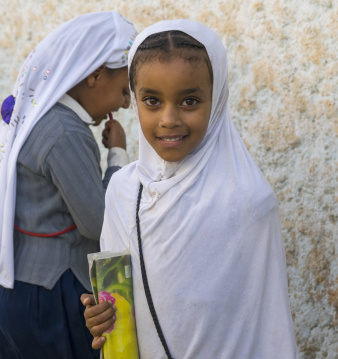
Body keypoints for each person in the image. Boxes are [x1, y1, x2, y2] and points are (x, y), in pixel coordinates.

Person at [81, 19, 299, 358]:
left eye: (190, 101)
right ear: (134, 99)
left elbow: (268, 328)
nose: (169, 119)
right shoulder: (123, 191)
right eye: (151, 100)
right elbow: (116, 299)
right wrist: (101, 315)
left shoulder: (247, 202)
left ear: (217, 100)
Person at [0, 11, 137, 358]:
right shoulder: (64, 132)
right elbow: (97, 223)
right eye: (123, 89)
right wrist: (117, 156)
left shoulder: (38, 114)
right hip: (48, 300)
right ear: (95, 75)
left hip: (15, 289)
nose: (126, 103)